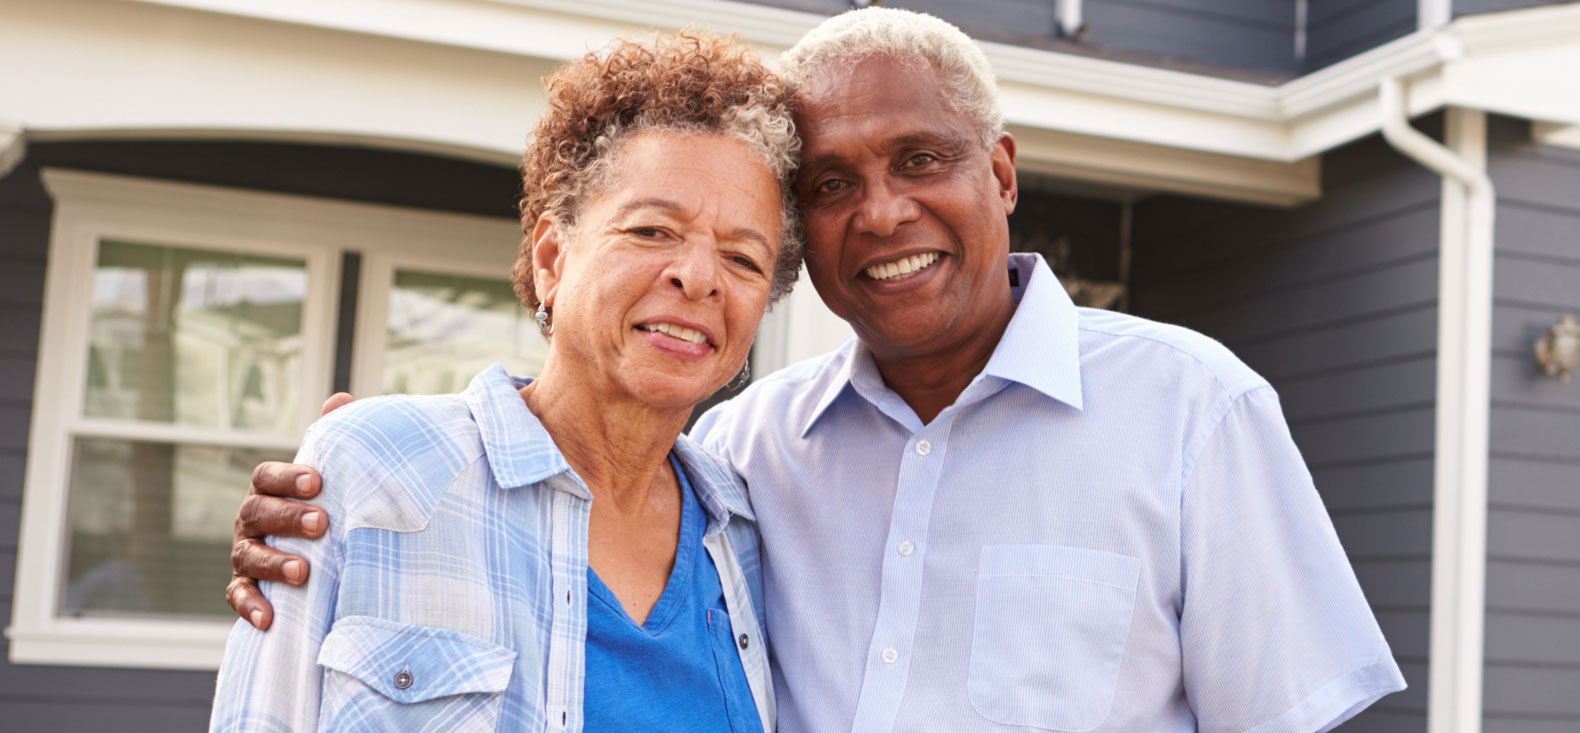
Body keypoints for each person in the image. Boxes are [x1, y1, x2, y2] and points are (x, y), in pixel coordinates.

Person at [228, 8, 1408, 731]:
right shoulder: (744, 467)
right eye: (831, 186)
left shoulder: (1191, 409)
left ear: (997, 173)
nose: (881, 212)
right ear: (551, 255)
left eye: (920, 159)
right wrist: (351, 465)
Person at [210, 30, 801, 732]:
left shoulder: (745, 534)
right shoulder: (378, 471)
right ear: (552, 257)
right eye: (650, 231)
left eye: (742, 258)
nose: (698, 276)